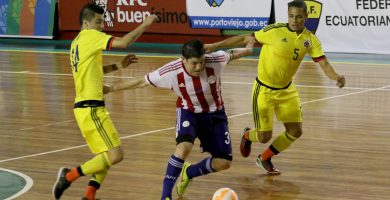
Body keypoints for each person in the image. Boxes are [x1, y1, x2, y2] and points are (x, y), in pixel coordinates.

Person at [204, 0, 346, 175]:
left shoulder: (310, 40)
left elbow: (324, 64)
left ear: (306, 17)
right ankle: (248, 134)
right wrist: (213, 46)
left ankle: (264, 158)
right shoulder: (274, 31)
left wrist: (336, 77)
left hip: (287, 90)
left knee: (295, 131)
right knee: (264, 136)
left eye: (299, 17)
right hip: (264, 90)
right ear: (287, 15)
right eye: (291, 16)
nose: (294, 20)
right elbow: (244, 38)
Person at [105, 39, 254, 200]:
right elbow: (141, 82)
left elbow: (244, 50)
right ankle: (165, 196)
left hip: (215, 114)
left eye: (202, 62)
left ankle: (188, 172)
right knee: (184, 147)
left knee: (224, 163)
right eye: (194, 63)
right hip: (188, 112)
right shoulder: (171, 71)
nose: (199, 67)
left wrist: (250, 44)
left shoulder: (216, 59)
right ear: (183, 60)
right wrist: (111, 88)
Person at [52, 3, 157, 200]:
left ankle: (89, 196)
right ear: (86, 23)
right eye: (98, 22)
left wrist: (119, 65)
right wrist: (145, 24)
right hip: (90, 108)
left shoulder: (77, 42)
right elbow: (125, 42)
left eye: (102, 22)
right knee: (115, 155)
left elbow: (94, 70)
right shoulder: (91, 36)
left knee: (106, 154)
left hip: (87, 107)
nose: (102, 26)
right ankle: (68, 176)